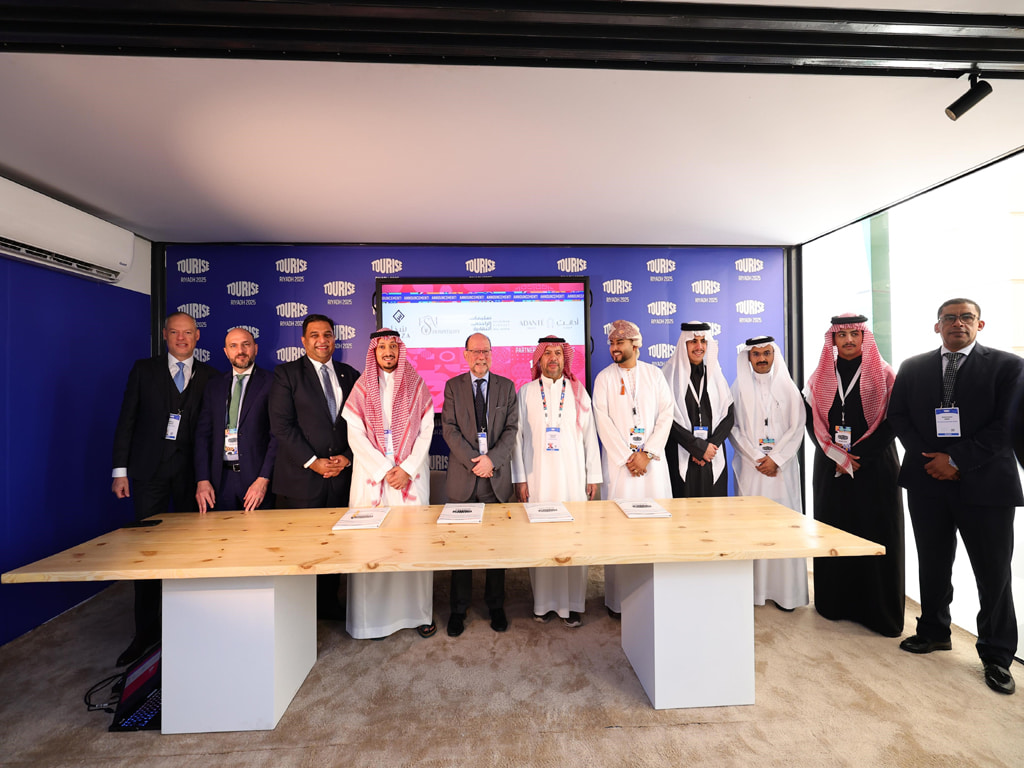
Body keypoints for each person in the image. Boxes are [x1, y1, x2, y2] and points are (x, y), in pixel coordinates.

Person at [888, 298, 1024, 695]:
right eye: (949, 317)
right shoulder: (913, 367)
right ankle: (933, 631)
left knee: (993, 572)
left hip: (986, 484)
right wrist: (932, 459)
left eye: (967, 317)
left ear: (980, 324)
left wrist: (956, 460)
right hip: (928, 480)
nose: (958, 323)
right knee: (932, 561)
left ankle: (997, 654)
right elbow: (899, 417)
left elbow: (1009, 425)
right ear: (937, 326)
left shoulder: (1009, 366)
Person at [110, 311, 217, 666]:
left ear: (197, 336)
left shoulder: (211, 376)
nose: (181, 338)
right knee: (146, 554)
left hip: (192, 476)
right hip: (148, 473)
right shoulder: (144, 370)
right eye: (175, 332)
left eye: (187, 332)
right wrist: (120, 471)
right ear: (165, 335)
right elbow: (126, 421)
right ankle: (144, 633)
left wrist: (208, 475)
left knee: (191, 551)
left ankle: (189, 625)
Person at [805, 313, 904, 637]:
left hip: (874, 467)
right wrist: (837, 456)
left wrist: (858, 456)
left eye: (854, 334)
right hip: (831, 467)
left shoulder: (884, 374)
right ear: (833, 339)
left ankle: (879, 613)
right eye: (841, 334)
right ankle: (834, 604)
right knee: (834, 532)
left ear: (864, 337)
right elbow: (812, 422)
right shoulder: (821, 375)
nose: (848, 340)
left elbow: (894, 420)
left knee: (875, 534)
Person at [342, 329, 436, 639]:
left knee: (413, 544)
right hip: (373, 478)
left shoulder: (416, 385)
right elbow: (355, 436)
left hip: (410, 476)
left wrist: (406, 468)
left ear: (400, 350)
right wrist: (385, 469)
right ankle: (372, 621)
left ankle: (418, 614)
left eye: (392, 346)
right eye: (381, 347)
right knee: (372, 546)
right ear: (374, 351)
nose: (387, 352)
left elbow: (426, 430)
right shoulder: (361, 387)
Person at [269, 314, 359, 619]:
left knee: (335, 547)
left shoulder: (350, 374)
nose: (322, 340)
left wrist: (347, 456)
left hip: (340, 478)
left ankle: (329, 604)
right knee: (301, 550)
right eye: (315, 335)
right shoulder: (287, 374)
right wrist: (313, 462)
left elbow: (361, 424)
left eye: (328, 335)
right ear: (304, 341)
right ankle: (299, 614)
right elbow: (282, 426)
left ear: (334, 339)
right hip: (301, 481)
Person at [512, 335, 602, 628]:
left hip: (572, 479)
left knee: (572, 538)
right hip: (537, 478)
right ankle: (543, 604)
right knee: (541, 538)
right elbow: (516, 439)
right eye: (547, 353)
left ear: (565, 359)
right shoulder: (526, 392)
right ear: (539, 359)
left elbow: (590, 437)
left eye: (558, 353)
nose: (553, 358)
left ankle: (573, 604)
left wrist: (593, 476)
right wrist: (520, 479)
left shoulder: (578, 391)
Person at [592, 320, 674, 618]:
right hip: (621, 470)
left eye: (620, 343)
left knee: (654, 530)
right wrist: (628, 457)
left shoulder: (654, 375)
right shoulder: (604, 378)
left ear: (635, 345)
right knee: (620, 532)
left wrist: (647, 453)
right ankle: (619, 602)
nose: (614, 348)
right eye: (611, 343)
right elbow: (602, 420)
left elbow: (666, 415)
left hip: (651, 468)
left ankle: (656, 599)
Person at [441, 333, 519, 636]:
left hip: (495, 481)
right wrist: (476, 461)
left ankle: (496, 605)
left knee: (496, 548)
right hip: (464, 479)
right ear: (465, 354)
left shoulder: (506, 386)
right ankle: (458, 610)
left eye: (485, 351)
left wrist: (492, 461)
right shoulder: (453, 386)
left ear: (491, 354)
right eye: (474, 351)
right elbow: (449, 429)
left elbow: (511, 429)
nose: (480, 356)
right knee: (461, 548)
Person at [729, 336, 808, 611]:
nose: (762, 359)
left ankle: (786, 594)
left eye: (766, 353)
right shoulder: (738, 388)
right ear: (748, 358)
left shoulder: (788, 387)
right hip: (752, 470)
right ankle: (754, 591)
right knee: (753, 527)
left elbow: (797, 428)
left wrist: (776, 459)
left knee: (783, 527)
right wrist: (756, 457)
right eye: (756, 354)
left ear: (774, 356)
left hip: (781, 472)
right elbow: (733, 428)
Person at [194, 327, 277, 514]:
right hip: (219, 482)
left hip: (257, 482)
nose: (240, 351)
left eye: (246, 344)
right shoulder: (214, 385)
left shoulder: (273, 382)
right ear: (226, 352)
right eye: (233, 346)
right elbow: (203, 436)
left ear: (255, 348)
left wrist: (263, 479)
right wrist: (203, 479)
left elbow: (277, 435)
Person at [662, 321, 734, 498]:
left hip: (712, 455)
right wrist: (697, 448)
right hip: (681, 452)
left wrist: (710, 447)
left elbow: (728, 416)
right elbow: (666, 418)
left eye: (703, 341)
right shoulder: (669, 375)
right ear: (684, 344)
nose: (699, 347)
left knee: (714, 508)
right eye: (693, 341)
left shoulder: (715, 374)